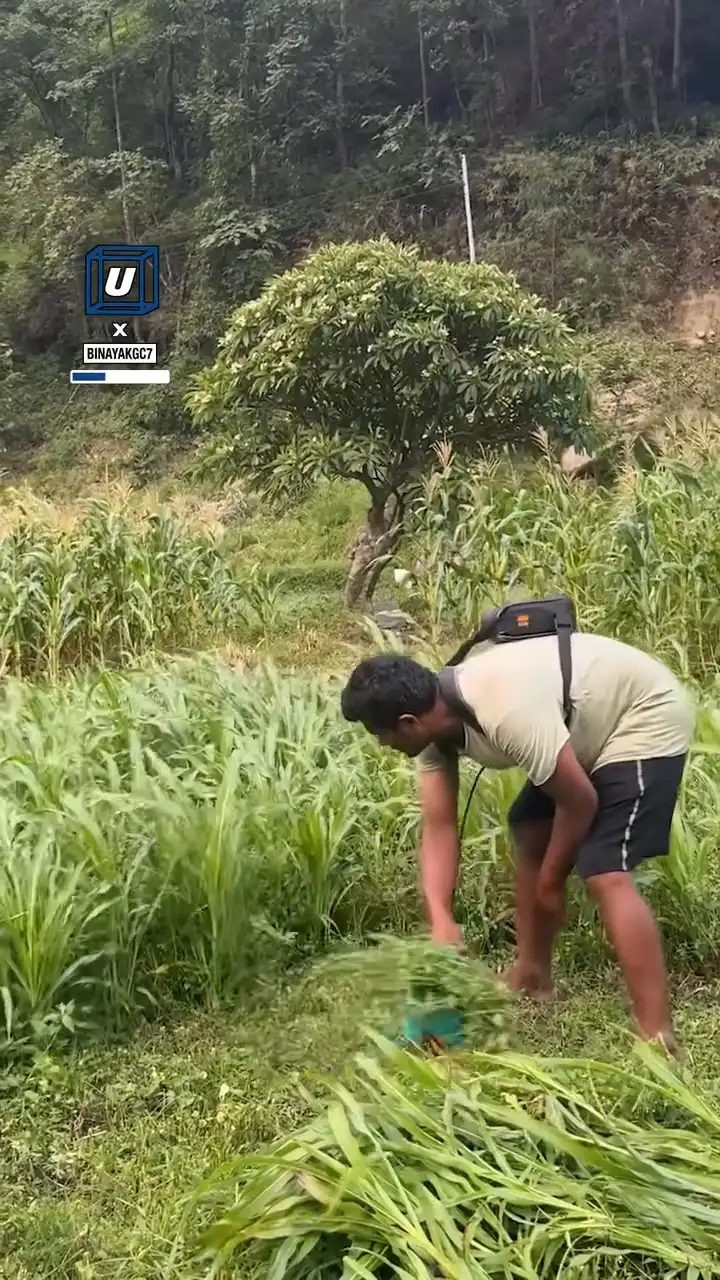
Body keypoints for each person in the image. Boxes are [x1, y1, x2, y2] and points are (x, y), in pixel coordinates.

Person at [340, 631, 695, 1052]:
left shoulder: (503, 709)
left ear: (408, 723)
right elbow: (439, 827)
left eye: (382, 736)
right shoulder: (432, 733)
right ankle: (532, 975)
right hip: (584, 727)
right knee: (528, 826)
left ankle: (658, 1037)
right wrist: (440, 917)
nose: (384, 746)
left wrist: (551, 881)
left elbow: (579, 801)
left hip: (641, 715)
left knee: (605, 868)